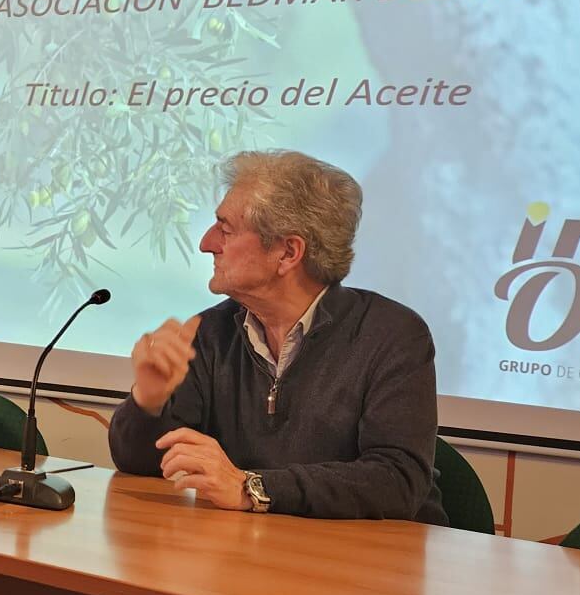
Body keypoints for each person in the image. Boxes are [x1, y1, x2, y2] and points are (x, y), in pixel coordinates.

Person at [109, 150, 446, 522]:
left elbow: (397, 480)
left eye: (225, 228)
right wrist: (149, 403)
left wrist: (252, 488)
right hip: (252, 554)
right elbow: (142, 462)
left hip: (374, 565)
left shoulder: (393, 335)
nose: (206, 243)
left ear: (288, 252)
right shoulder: (211, 333)